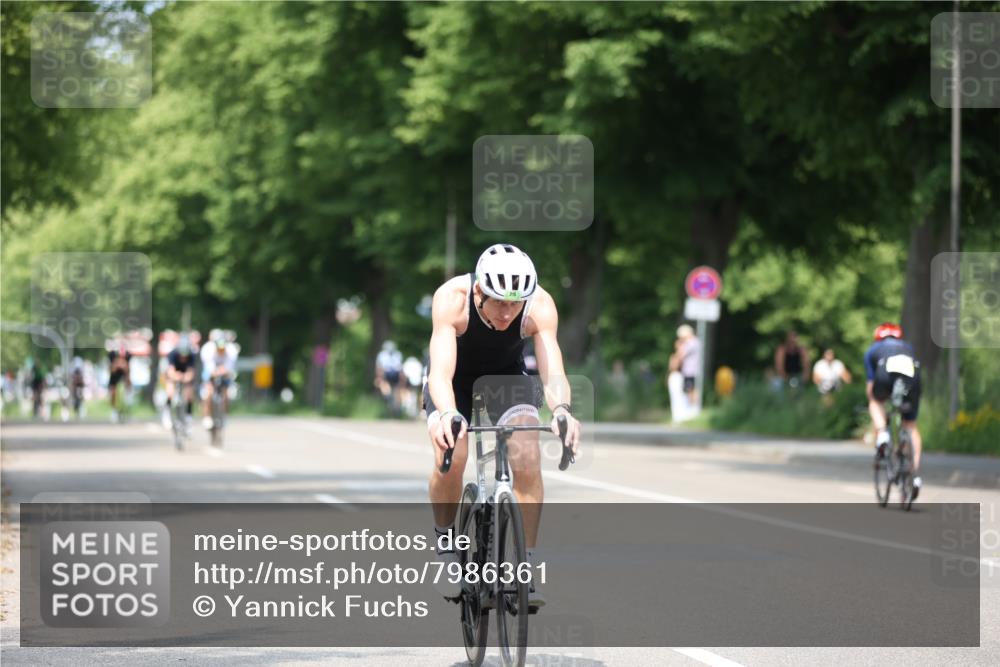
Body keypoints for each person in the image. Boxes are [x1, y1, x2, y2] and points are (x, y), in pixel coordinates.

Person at [423, 243, 582, 606]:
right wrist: (447, 415)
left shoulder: (539, 304)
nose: (509, 312)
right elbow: (442, 372)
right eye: (499, 302)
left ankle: (523, 567)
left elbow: (552, 369)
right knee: (453, 449)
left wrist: (562, 411)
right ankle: (446, 543)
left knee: (527, 455)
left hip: (506, 376)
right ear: (479, 291)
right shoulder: (452, 299)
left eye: (515, 303)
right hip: (452, 381)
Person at [864, 322, 922, 499]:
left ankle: (883, 434)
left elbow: (870, 387)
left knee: (874, 401)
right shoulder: (908, 347)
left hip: (884, 376)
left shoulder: (873, 350)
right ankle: (914, 474)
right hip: (913, 381)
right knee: (910, 426)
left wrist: (877, 400)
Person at [200, 331, 238, 430]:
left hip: (224, 372)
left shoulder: (231, 350)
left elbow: (229, 368)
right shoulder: (207, 349)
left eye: (223, 349)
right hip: (210, 372)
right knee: (208, 393)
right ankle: (207, 416)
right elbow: (209, 369)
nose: (221, 351)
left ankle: (224, 416)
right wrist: (217, 372)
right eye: (219, 349)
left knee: (226, 395)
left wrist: (223, 371)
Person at [165, 335, 197, 427]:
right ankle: (167, 413)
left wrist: (186, 377)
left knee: (189, 393)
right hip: (175, 372)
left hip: (185, 373)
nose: (183, 358)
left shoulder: (192, 355)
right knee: (170, 391)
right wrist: (176, 376)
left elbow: (191, 372)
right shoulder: (172, 354)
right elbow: (170, 371)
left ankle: (188, 416)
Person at [672, 324, 701, 406]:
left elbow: (681, 355)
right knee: (690, 389)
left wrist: (678, 346)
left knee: (690, 389)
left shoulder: (691, 343)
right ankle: (693, 408)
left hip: (690, 371)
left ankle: (693, 408)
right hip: (690, 370)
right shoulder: (695, 342)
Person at [375, 340, 404, 413]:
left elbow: (400, 368)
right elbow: (379, 368)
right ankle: (389, 399)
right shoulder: (382, 355)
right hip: (386, 374)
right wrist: (379, 378)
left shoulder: (398, 354)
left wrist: (402, 379)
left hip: (395, 374)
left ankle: (395, 407)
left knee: (396, 391)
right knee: (385, 389)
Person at [107, 342, 132, 423]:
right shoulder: (112, 355)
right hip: (114, 375)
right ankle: (114, 410)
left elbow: (127, 369)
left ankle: (127, 400)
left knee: (128, 383)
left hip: (124, 374)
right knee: (113, 391)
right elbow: (112, 369)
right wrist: (119, 364)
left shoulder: (128, 355)